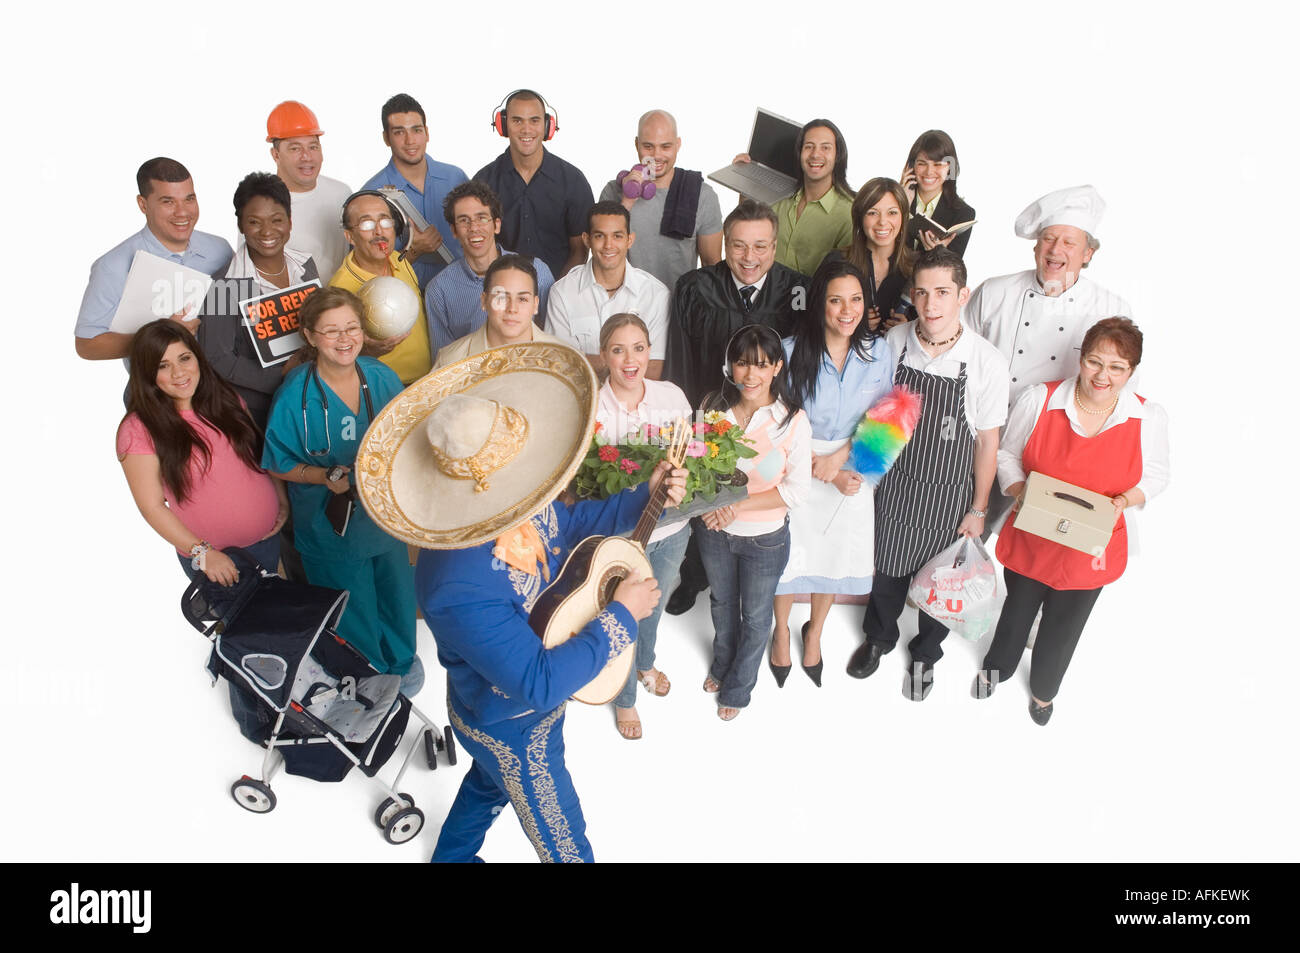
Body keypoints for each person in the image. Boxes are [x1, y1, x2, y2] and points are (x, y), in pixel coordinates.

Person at [353, 339, 687, 861]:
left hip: (502, 706)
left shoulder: (518, 501)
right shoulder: (453, 587)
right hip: (510, 725)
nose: (534, 486)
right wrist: (621, 616)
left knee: (487, 788)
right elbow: (539, 681)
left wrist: (647, 495)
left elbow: (571, 526)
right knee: (566, 840)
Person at [974, 318, 1168, 725]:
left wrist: (1123, 500)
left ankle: (1044, 692)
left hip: (1091, 546)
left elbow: (1156, 475)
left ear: (1132, 371)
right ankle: (998, 669)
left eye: (1117, 367)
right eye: (1096, 362)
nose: (1104, 375)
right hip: (1034, 533)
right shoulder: (1041, 399)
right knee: (1017, 611)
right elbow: (1007, 455)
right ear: (1081, 359)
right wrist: (1018, 489)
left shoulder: (1147, 417)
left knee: (1065, 626)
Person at [846, 248, 1009, 700]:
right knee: (886, 575)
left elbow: (988, 443)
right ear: (912, 296)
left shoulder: (986, 362)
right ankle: (878, 639)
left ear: (963, 295)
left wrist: (979, 509)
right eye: (922, 292)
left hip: (950, 496)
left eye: (942, 292)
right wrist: (863, 475)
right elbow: (873, 416)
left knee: (943, 584)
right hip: (895, 488)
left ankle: (925, 654)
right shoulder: (893, 343)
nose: (931, 304)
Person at [116, 320, 286, 741]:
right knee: (245, 641)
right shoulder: (138, 428)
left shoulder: (223, 398)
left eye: (184, 358)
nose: (178, 373)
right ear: (146, 374)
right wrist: (201, 554)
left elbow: (256, 456)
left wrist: (279, 498)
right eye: (162, 366)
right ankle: (256, 726)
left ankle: (285, 705)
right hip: (216, 558)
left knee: (275, 631)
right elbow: (151, 506)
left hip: (264, 541)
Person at [261, 287, 421, 693]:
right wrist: (321, 477)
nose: (344, 338)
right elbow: (279, 462)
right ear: (310, 336)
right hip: (329, 525)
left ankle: (401, 665)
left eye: (351, 327)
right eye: (331, 331)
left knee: (397, 597)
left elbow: (407, 436)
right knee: (354, 610)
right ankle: (368, 678)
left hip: (383, 515)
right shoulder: (295, 395)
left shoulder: (381, 377)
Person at [662, 199, 808, 615]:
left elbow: (799, 362)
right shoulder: (695, 286)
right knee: (702, 499)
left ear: (775, 247)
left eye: (761, 246)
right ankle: (695, 576)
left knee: (759, 493)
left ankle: (753, 578)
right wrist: (689, 419)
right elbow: (681, 356)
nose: (750, 257)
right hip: (711, 416)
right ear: (723, 243)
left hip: (768, 421)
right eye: (739, 246)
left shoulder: (797, 290)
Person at [966, 185, 1133, 533]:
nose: (1056, 250)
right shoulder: (995, 292)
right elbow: (960, 359)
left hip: (1050, 455)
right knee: (958, 536)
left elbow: (1119, 390)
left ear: (1088, 253)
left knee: (1030, 551)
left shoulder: (1110, 309)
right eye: (1048, 239)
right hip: (979, 439)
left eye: (1069, 242)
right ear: (1036, 246)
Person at [772, 260, 894, 686]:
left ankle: (815, 632)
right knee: (787, 556)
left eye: (857, 299)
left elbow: (884, 418)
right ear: (819, 303)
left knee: (834, 556)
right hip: (794, 462)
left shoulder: (879, 352)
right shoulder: (788, 351)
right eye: (836, 300)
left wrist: (841, 463)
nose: (848, 310)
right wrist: (812, 467)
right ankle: (781, 631)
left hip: (854, 463)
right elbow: (773, 422)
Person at [699, 325, 811, 720]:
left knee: (756, 615)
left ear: (778, 367)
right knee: (721, 603)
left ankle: (740, 686)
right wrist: (713, 504)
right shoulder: (714, 409)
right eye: (743, 363)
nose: (751, 374)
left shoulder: (792, 421)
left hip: (765, 539)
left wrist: (736, 503)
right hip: (715, 530)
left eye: (762, 365)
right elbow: (698, 467)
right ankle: (720, 664)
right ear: (731, 365)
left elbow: (796, 490)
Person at [595, 314, 694, 740]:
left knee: (652, 606)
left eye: (638, 348)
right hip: (621, 534)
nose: (630, 359)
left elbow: (693, 456)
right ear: (604, 355)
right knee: (620, 611)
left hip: (671, 531)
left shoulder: (671, 396)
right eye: (618, 349)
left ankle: (645, 662)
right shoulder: (593, 408)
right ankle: (624, 698)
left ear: (650, 351)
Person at [75, 158, 233, 362]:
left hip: (220, 382)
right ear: (143, 204)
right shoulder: (113, 265)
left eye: (189, 199)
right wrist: (160, 337)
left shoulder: (220, 249)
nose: (182, 212)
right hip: (153, 389)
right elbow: (87, 345)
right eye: (168, 201)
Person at [198, 172, 321, 431]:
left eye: (276, 220)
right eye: (254, 222)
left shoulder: (306, 265)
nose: (267, 231)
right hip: (259, 411)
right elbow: (217, 358)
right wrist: (281, 376)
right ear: (241, 225)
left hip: (314, 395)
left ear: (289, 221)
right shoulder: (225, 285)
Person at [474, 89, 594, 278]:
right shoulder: (483, 181)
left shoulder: (573, 181)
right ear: (503, 125)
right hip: (501, 294)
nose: (526, 129)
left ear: (547, 126)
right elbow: (478, 246)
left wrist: (557, 294)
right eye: (517, 120)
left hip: (559, 294)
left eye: (534, 120)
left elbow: (579, 250)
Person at [598, 109, 723, 290]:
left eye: (666, 147)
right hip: (624, 308)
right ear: (636, 144)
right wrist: (628, 199)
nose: (656, 155)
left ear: (678, 144)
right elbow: (601, 254)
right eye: (648, 146)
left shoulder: (702, 195)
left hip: (680, 308)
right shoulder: (613, 192)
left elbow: (711, 266)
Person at [425, 182, 556, 354]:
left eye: (482, 218)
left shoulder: (537, 272)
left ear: (497, 225)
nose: (474, 228)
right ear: (454, 230)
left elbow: (553, 345)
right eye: (464, 220)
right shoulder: (439, 290)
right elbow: (444, 364)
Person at [545, 201, 670, 379]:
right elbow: (560, 366)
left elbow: (653, 370)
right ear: (586, 239)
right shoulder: (562, 293)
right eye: (600, 236)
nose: (608, 245)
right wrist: (626, 362)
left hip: (634, 406)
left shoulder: (655, 294)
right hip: (579, 403)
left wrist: (589, 361)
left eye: (617, 236)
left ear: (630, 240)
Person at [362, 93, 469, 292]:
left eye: (416, 130)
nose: (410, 140)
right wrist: (413, 251)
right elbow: (365, 271)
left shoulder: (456, 178)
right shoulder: (371, 195)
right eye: (399, 132)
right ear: (386, 138)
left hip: (460, 297)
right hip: (402, 304)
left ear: (427, 133)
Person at [329, 190, 433, 385]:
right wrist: (371, 351)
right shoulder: (339, 291)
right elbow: (337, 358)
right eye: (366, 224)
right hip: (386, 390)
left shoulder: (399, 260)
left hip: (426, 380)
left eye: (385, 222)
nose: (379, 232)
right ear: (349, 236)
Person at [737, 119, 855, 276]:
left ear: (838, 155)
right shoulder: (778, 198)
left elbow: (843, 278)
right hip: (765, 294)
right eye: (809, 147)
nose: (815, 154)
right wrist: (744, 182)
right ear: (800, 153)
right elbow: (747, 235)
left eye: (825, 147)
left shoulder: (849, 213)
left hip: (811, 298)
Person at [267, 101, 353, 280]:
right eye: (295, 148)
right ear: (276, 155)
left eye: (313, 147)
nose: (306, 157)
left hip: (340, 301)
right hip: (290, 306)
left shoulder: (342, 194)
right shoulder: (260, 206)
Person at [434, 254, 561, 367]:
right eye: (501, 297)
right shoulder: (450, 362)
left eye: (522, 299)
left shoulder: (562, 358)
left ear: (535, 304)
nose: (512, 309)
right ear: (484, 301)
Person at [826, 177, 915, 332]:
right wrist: (851, 323)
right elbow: (810, 314)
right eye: (873, 213)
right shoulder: (837, 261)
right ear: (860, 218)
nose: (882, 222)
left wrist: (908, 329)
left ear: (903, 218)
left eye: (892, 213)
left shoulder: (917, 268)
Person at [900, 130, 976, 259]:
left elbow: (954, 274)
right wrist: (901, 204)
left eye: (938, 164)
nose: (929, 172)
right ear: (911, 167)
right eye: (922, 163)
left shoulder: (963, 214)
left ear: (949, 168)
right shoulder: (892, 202)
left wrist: (938, 254)